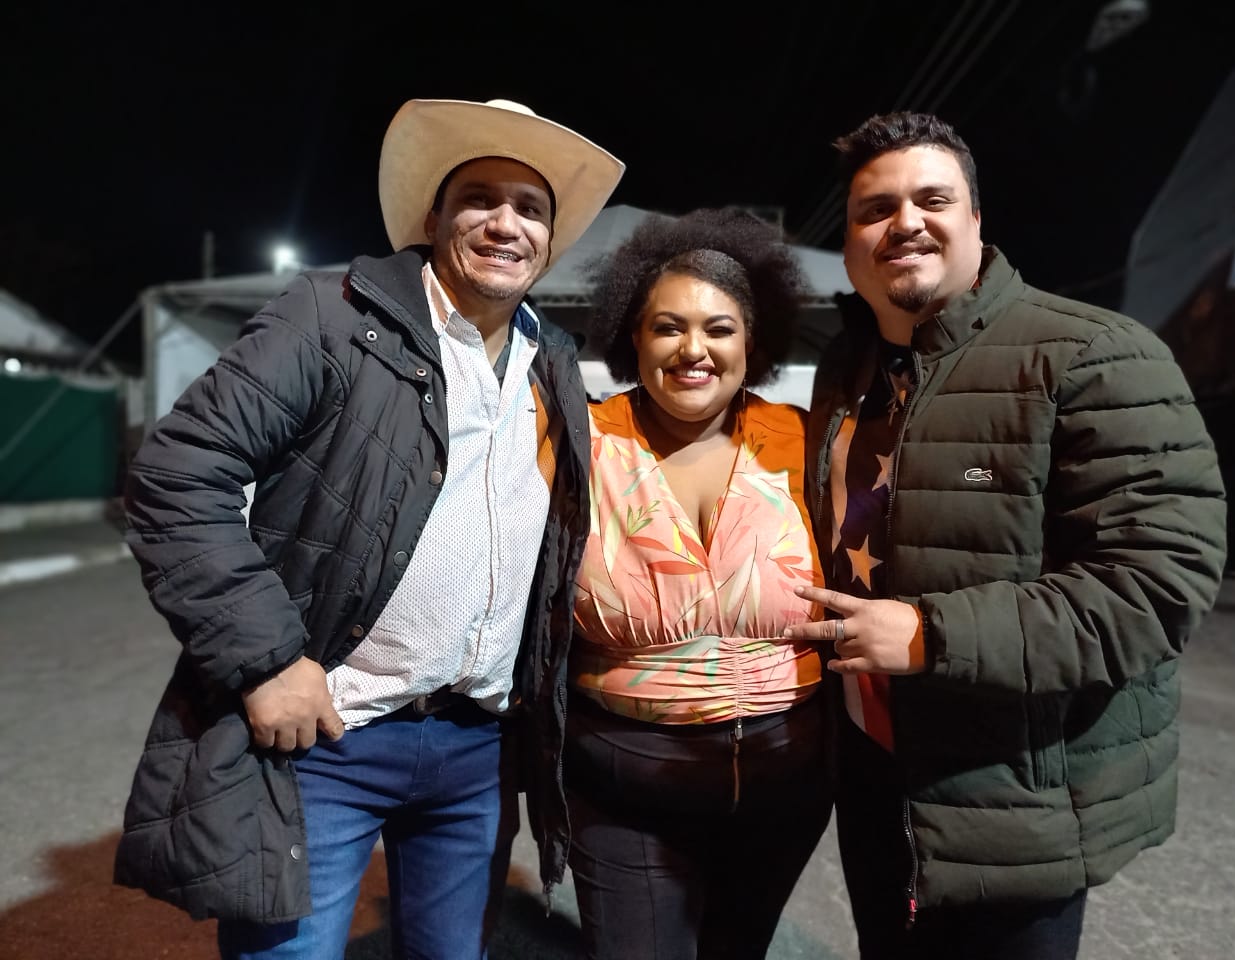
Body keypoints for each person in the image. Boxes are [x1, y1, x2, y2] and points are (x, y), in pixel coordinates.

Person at [113, 97, 623, 959]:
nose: (506, 224)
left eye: (530, 208)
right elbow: (177, 474)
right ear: (433, 218)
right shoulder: (331, 315)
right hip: (325, 740)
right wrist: (266, 661)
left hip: (478, 749)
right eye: (480, 199)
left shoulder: (555, 360)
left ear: (549, 238)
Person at [781, 111, 1228, 960]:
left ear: (976, 219)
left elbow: (1157, 587)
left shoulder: (1093, 354)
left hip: (1016, 800)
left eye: (932, 199)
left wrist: (932, 635)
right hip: (875, 780)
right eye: (876, 209)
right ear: (849, 243)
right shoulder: (848, 369)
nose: (905, 222)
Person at [565, 207, 835, 960]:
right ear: (633, 336)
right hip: (622, 788)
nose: (694, 349)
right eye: (668, 327)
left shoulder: (803, 442)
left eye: (719, 328)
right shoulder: (580, 444)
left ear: (753, 341)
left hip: (784, 790)